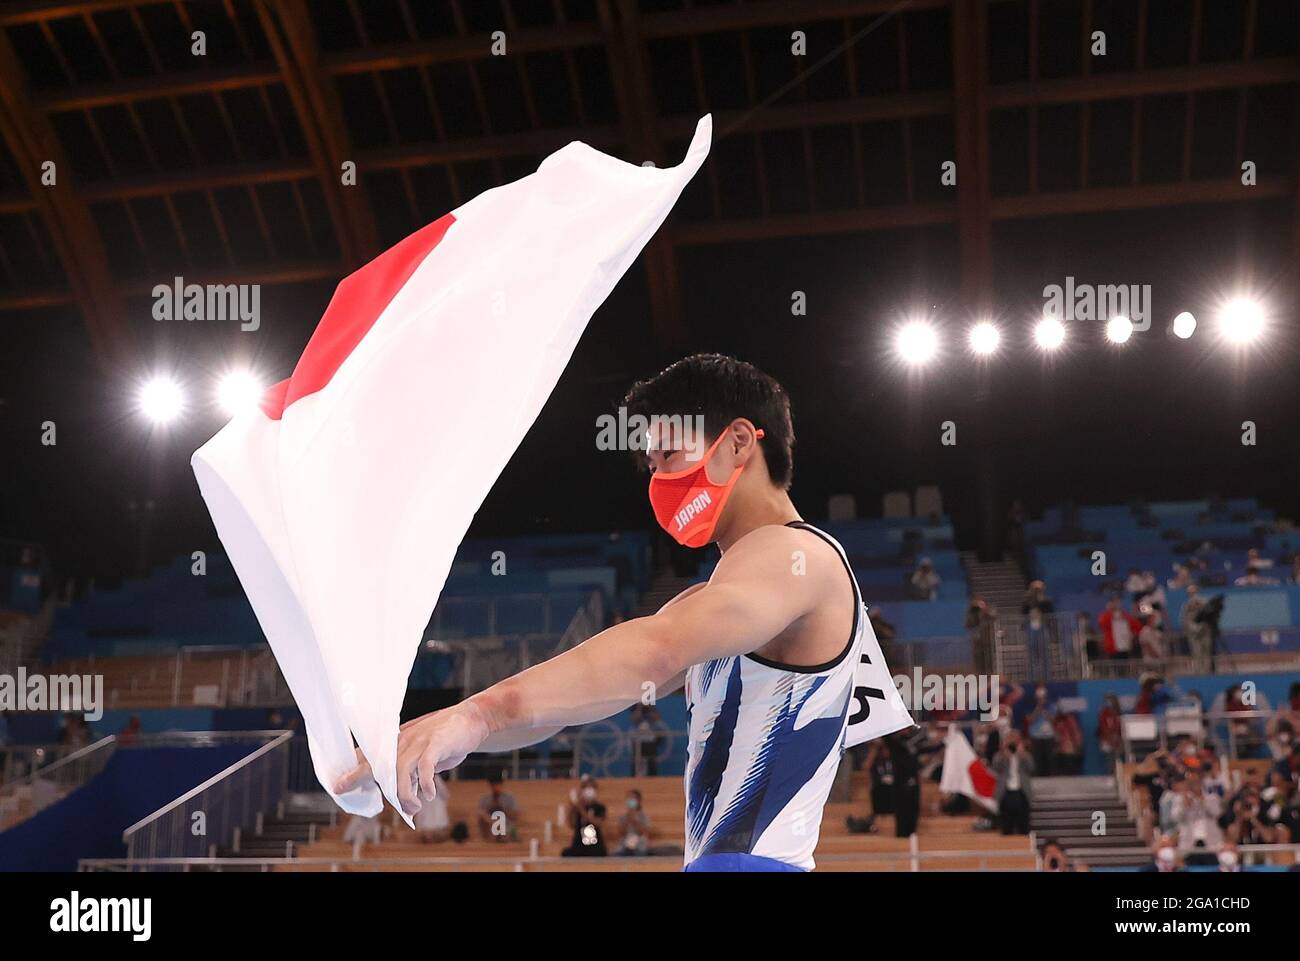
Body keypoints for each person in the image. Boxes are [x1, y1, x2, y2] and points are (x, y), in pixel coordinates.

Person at [340, 354, 903, 873]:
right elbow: (573, 707)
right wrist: (451, 732)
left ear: (737, 443)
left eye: (671, 455)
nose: (659, 479)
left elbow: (656, 651)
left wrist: (478, 714)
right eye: (652, 464)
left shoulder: (797, 556)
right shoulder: (717, 598)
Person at [992, 732, 1035, 835]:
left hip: (1021, 791)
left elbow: (1031, 769)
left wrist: (1022, 754)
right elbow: (996, 768)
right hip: (1006, 792)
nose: (1013, 744)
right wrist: (1003, 753)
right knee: (1006, 823)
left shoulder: (1024, 756)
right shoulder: (1000, 755)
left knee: (1023, 822)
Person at [562, 778, 608, 857]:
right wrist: (572, 809)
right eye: (586, 788)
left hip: (594, 843)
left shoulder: (600, 807)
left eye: (591, 788)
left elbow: (598, 823)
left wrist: (581, 809)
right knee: (566, 853)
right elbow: (571, 824)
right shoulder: (578, 807)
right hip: (579, 843)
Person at [476, 774, 519, 841]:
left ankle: (500, 832)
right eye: (493, 785)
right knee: (480, 813)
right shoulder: (485, 799)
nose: (495, 787)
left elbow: (515, 814)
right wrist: (490, 808)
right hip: (489, 824)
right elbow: (481, 813)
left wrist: (502, 808)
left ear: (501, 785)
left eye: (497, 785)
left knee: (505, 825)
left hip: (506, 824)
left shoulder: (509, 798)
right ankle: (495, 829)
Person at [616, 789, 651, 856]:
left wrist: (635, 820)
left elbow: (644, 832)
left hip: (640, 846)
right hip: (624, 846)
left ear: (639, 801)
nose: (630, 800)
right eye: (629, 798)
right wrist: (628, 819)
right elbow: (620, 833)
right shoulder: (622, 818)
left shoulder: (644, 817)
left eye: (633, 798)